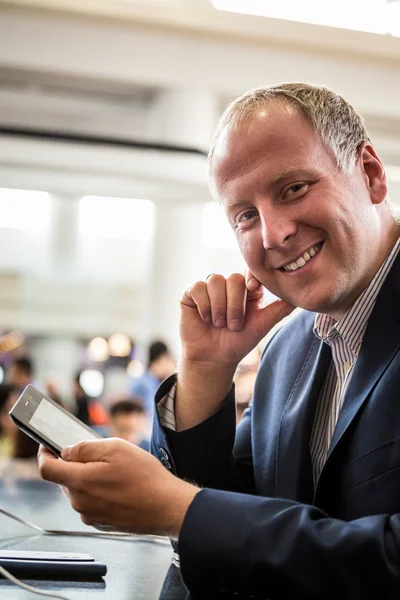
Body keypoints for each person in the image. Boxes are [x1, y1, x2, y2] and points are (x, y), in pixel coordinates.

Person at [38, 82, 400, 599]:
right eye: (245, 215)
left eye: (293, 188)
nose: (273, 234)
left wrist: (179, 510)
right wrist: (205, 372)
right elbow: (243, 518)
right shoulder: (286, 348)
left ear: (370, 174)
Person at [129, 341, 176, 423]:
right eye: (169, 361)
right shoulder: (144, 384)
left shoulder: (155, 383)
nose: (171, 368)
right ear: (161, 359)